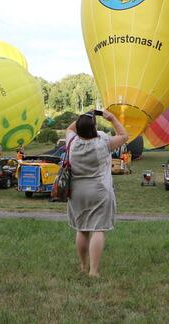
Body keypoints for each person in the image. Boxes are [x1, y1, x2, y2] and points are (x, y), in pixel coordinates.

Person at [66, 110, 128, 278]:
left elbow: (70, 128)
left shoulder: (72, 142)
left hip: (77, 191)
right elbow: (123, 136)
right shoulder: (103, 142)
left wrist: (85, 115)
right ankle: (94, 271)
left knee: (82, 229)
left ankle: (83, 265)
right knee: (98, 229)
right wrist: (112, 118)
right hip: (99, 191)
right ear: (94, 127)